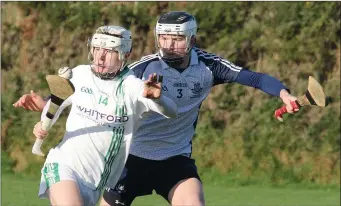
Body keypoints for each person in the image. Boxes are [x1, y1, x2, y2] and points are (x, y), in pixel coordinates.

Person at [14, 12, 299, 206]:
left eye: (177, 39)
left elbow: (255, 78)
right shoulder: (142, 69)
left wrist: (284, 94)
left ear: (191, 40)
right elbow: (96, 94)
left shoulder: (209, 67)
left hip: (174, 159)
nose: (169, 45)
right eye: (164, 38)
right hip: (130, 159)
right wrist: (47, 104)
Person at [23, 25, 178, 206]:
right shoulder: (80, 74)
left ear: (125, 55)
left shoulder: (133, 87)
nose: (100, 57)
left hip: (96, 183)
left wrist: (158, 100)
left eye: (109, 51)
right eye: (97, 49)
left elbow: (172, 112)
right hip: (63, 165)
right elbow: (57, 100)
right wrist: (42, 124)